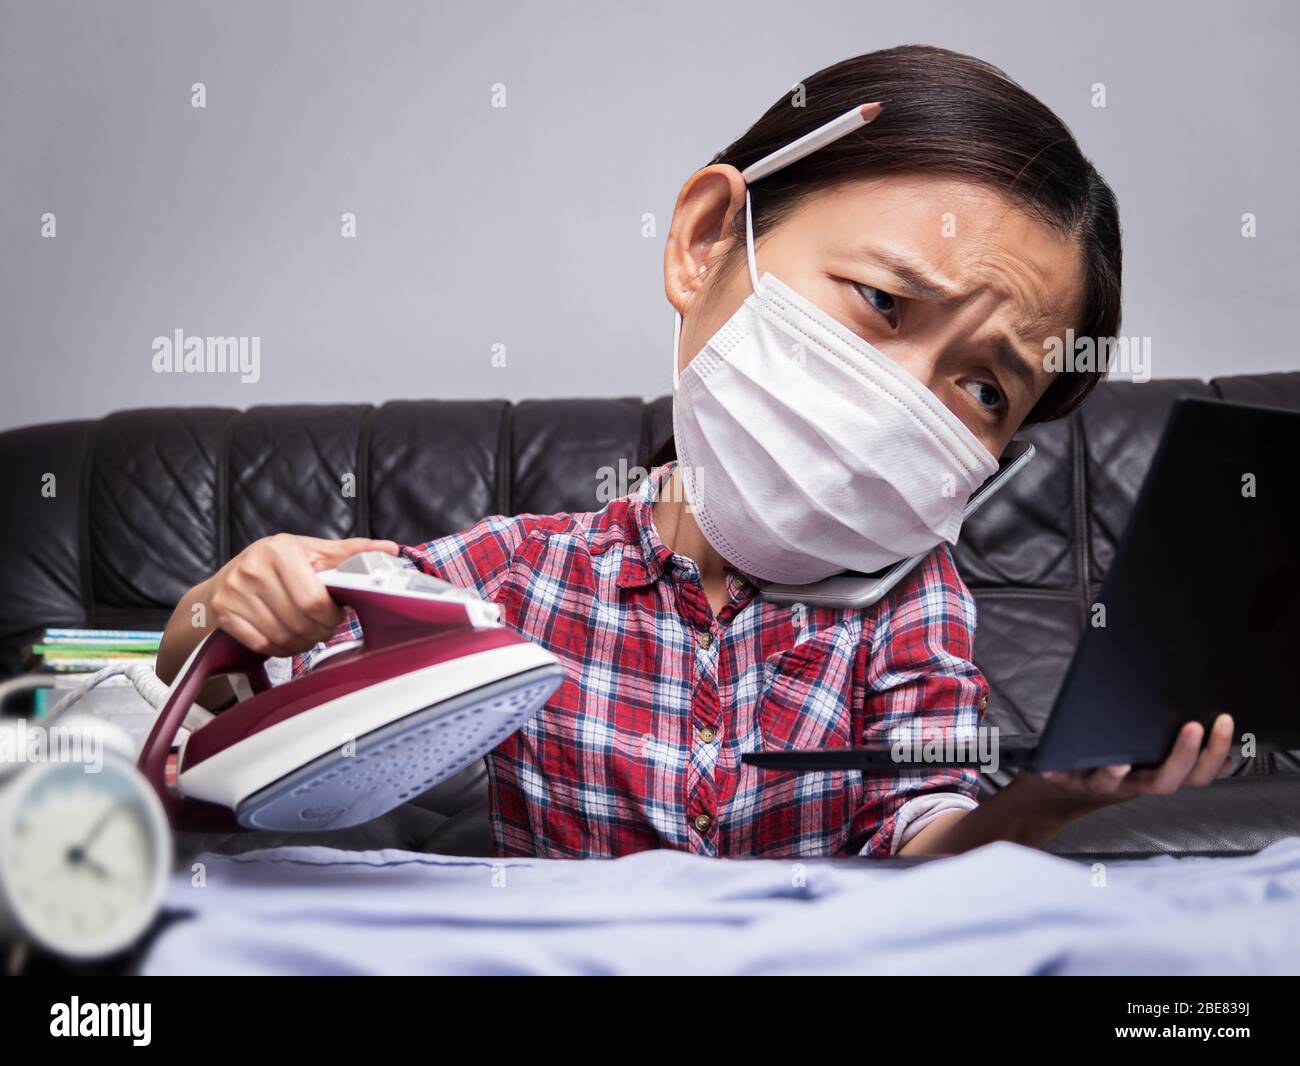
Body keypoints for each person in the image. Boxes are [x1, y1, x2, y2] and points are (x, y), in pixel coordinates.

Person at [156, 45, 1233, 859]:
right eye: (881, 301)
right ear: (708, 240)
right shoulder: (522, 573)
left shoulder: (916, 598)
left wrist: (1045, 802)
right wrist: (229, 604)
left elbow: (919, 827)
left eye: (986, 386)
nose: (904, 397)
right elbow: (226, 689)